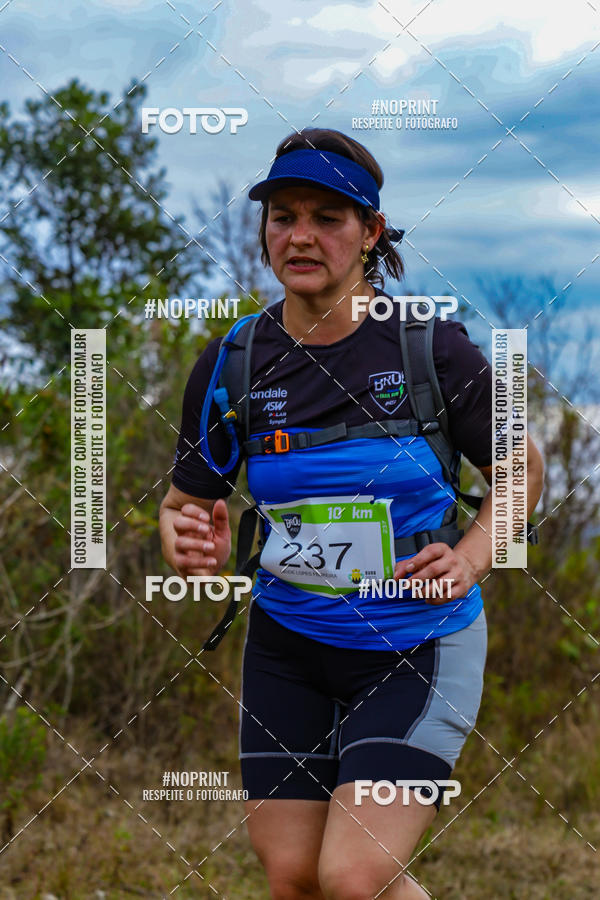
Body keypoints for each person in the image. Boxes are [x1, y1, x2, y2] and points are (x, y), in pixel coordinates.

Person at [159, 128, 544, 899]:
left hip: (417, 642)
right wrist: (185, 538)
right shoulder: (232, 362)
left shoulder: (434, 348)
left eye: (327, 217)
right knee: (296, 878)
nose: (300, 235)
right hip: (288, 645)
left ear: (370, 233)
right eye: (282, 216)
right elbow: (184, 504)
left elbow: (522, 470)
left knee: (353, 875)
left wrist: (470, 558)